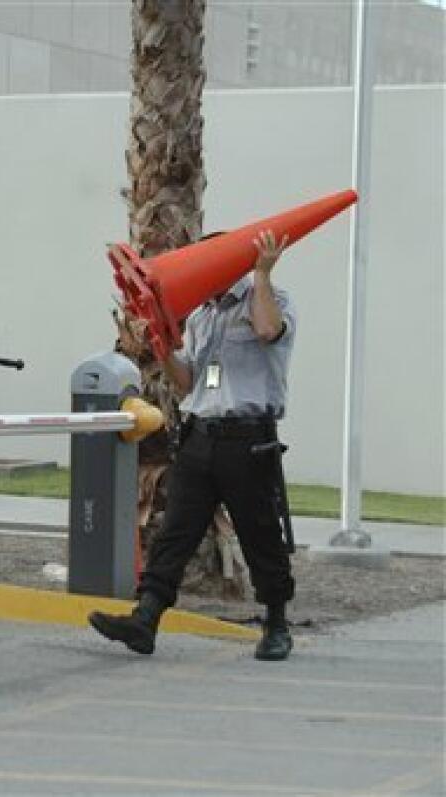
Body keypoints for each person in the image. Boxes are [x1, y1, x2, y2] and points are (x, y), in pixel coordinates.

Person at [90, 229, 297, 661]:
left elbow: (266, 329)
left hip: (248, 439)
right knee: (175, 532)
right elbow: (189, 385)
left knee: (260, 533)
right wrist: (163, 349)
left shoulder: (271, 299)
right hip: (200, 436)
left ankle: (276, 622)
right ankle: (145, 619)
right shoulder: (202, 315)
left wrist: (260, 274)